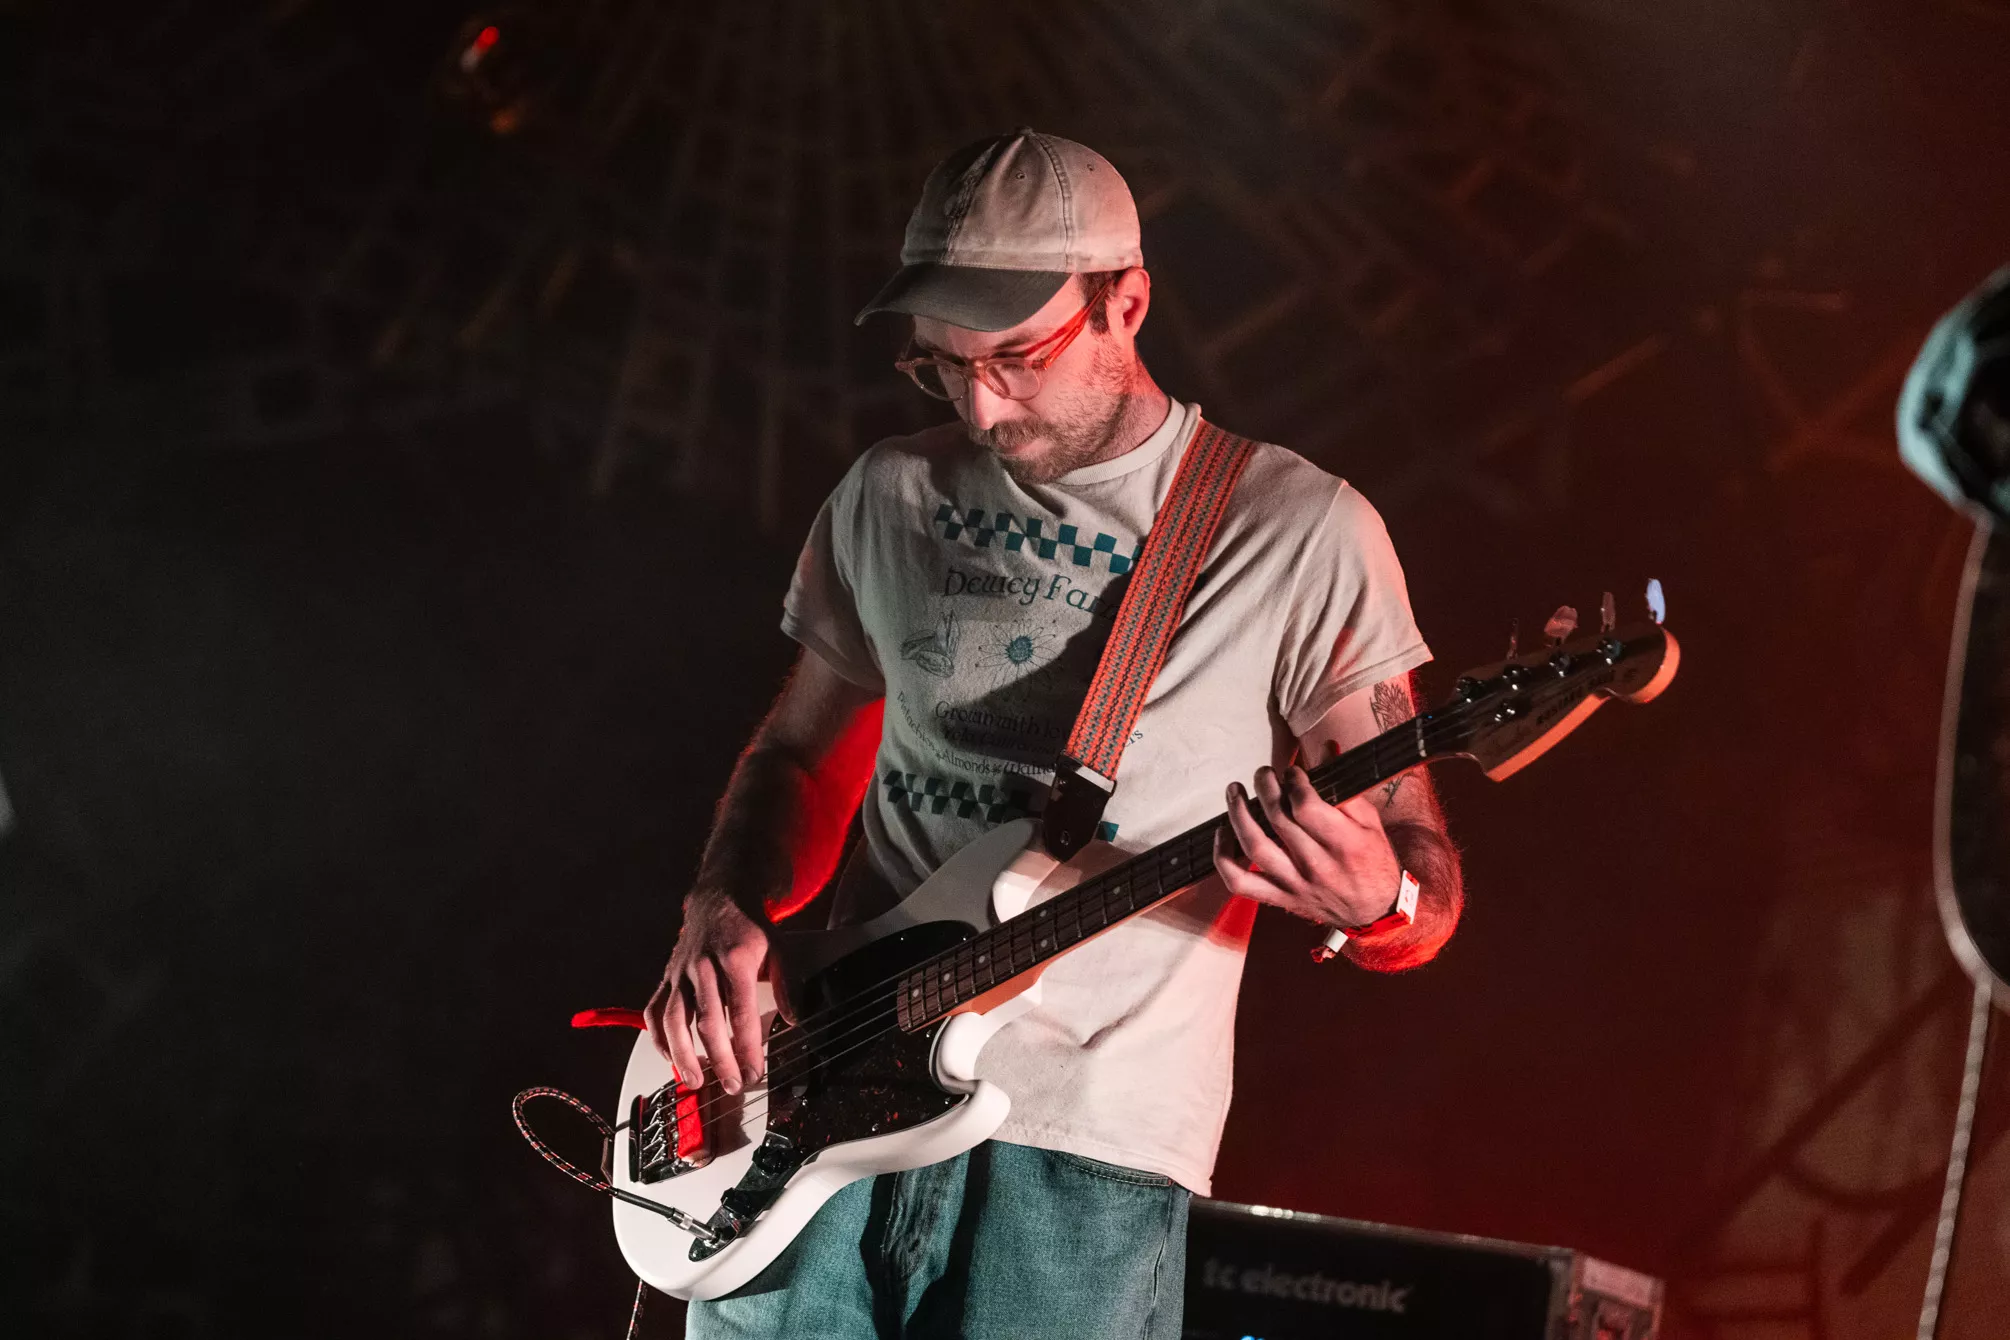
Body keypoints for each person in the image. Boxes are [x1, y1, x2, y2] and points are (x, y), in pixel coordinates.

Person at [646, 128, 1464, 1339]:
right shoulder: (889, 494)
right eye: (941, 366)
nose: (982, 404)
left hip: (1087, 1150)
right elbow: (801, 758)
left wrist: (1378, 900)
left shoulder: (1299, 533)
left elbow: (1421, 868)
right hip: (817, 1094)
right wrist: (724, 904)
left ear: (1126, 303)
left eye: (1017, 358)